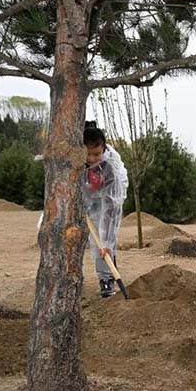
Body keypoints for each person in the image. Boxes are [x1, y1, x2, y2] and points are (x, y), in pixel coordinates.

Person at [82, 122, 129, 298]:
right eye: (88, 154)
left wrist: (107, 242)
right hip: (88, 193)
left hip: (109, 196)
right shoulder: (74, 160)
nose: (92, 158)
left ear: (103, 150)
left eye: (96, 154)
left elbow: (110, 207)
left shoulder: (111, 168)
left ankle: (107, 278)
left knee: (103, 240)